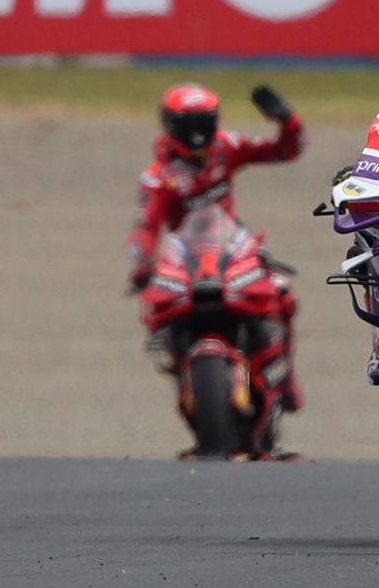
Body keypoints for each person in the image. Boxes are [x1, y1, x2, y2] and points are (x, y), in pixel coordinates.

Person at [129, 82, 307, 408]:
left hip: (232, 247)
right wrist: (142, 264)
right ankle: (183, 369)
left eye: (203, 123)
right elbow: (146, 226)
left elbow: (284, 151)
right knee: (157, 311)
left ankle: (285, 378)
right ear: (170, 126)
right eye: (187, 125)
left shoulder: (227, 146)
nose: (196, 135)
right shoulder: (158, 176)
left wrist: (289, 122)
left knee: (283, 295)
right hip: (184, 256)